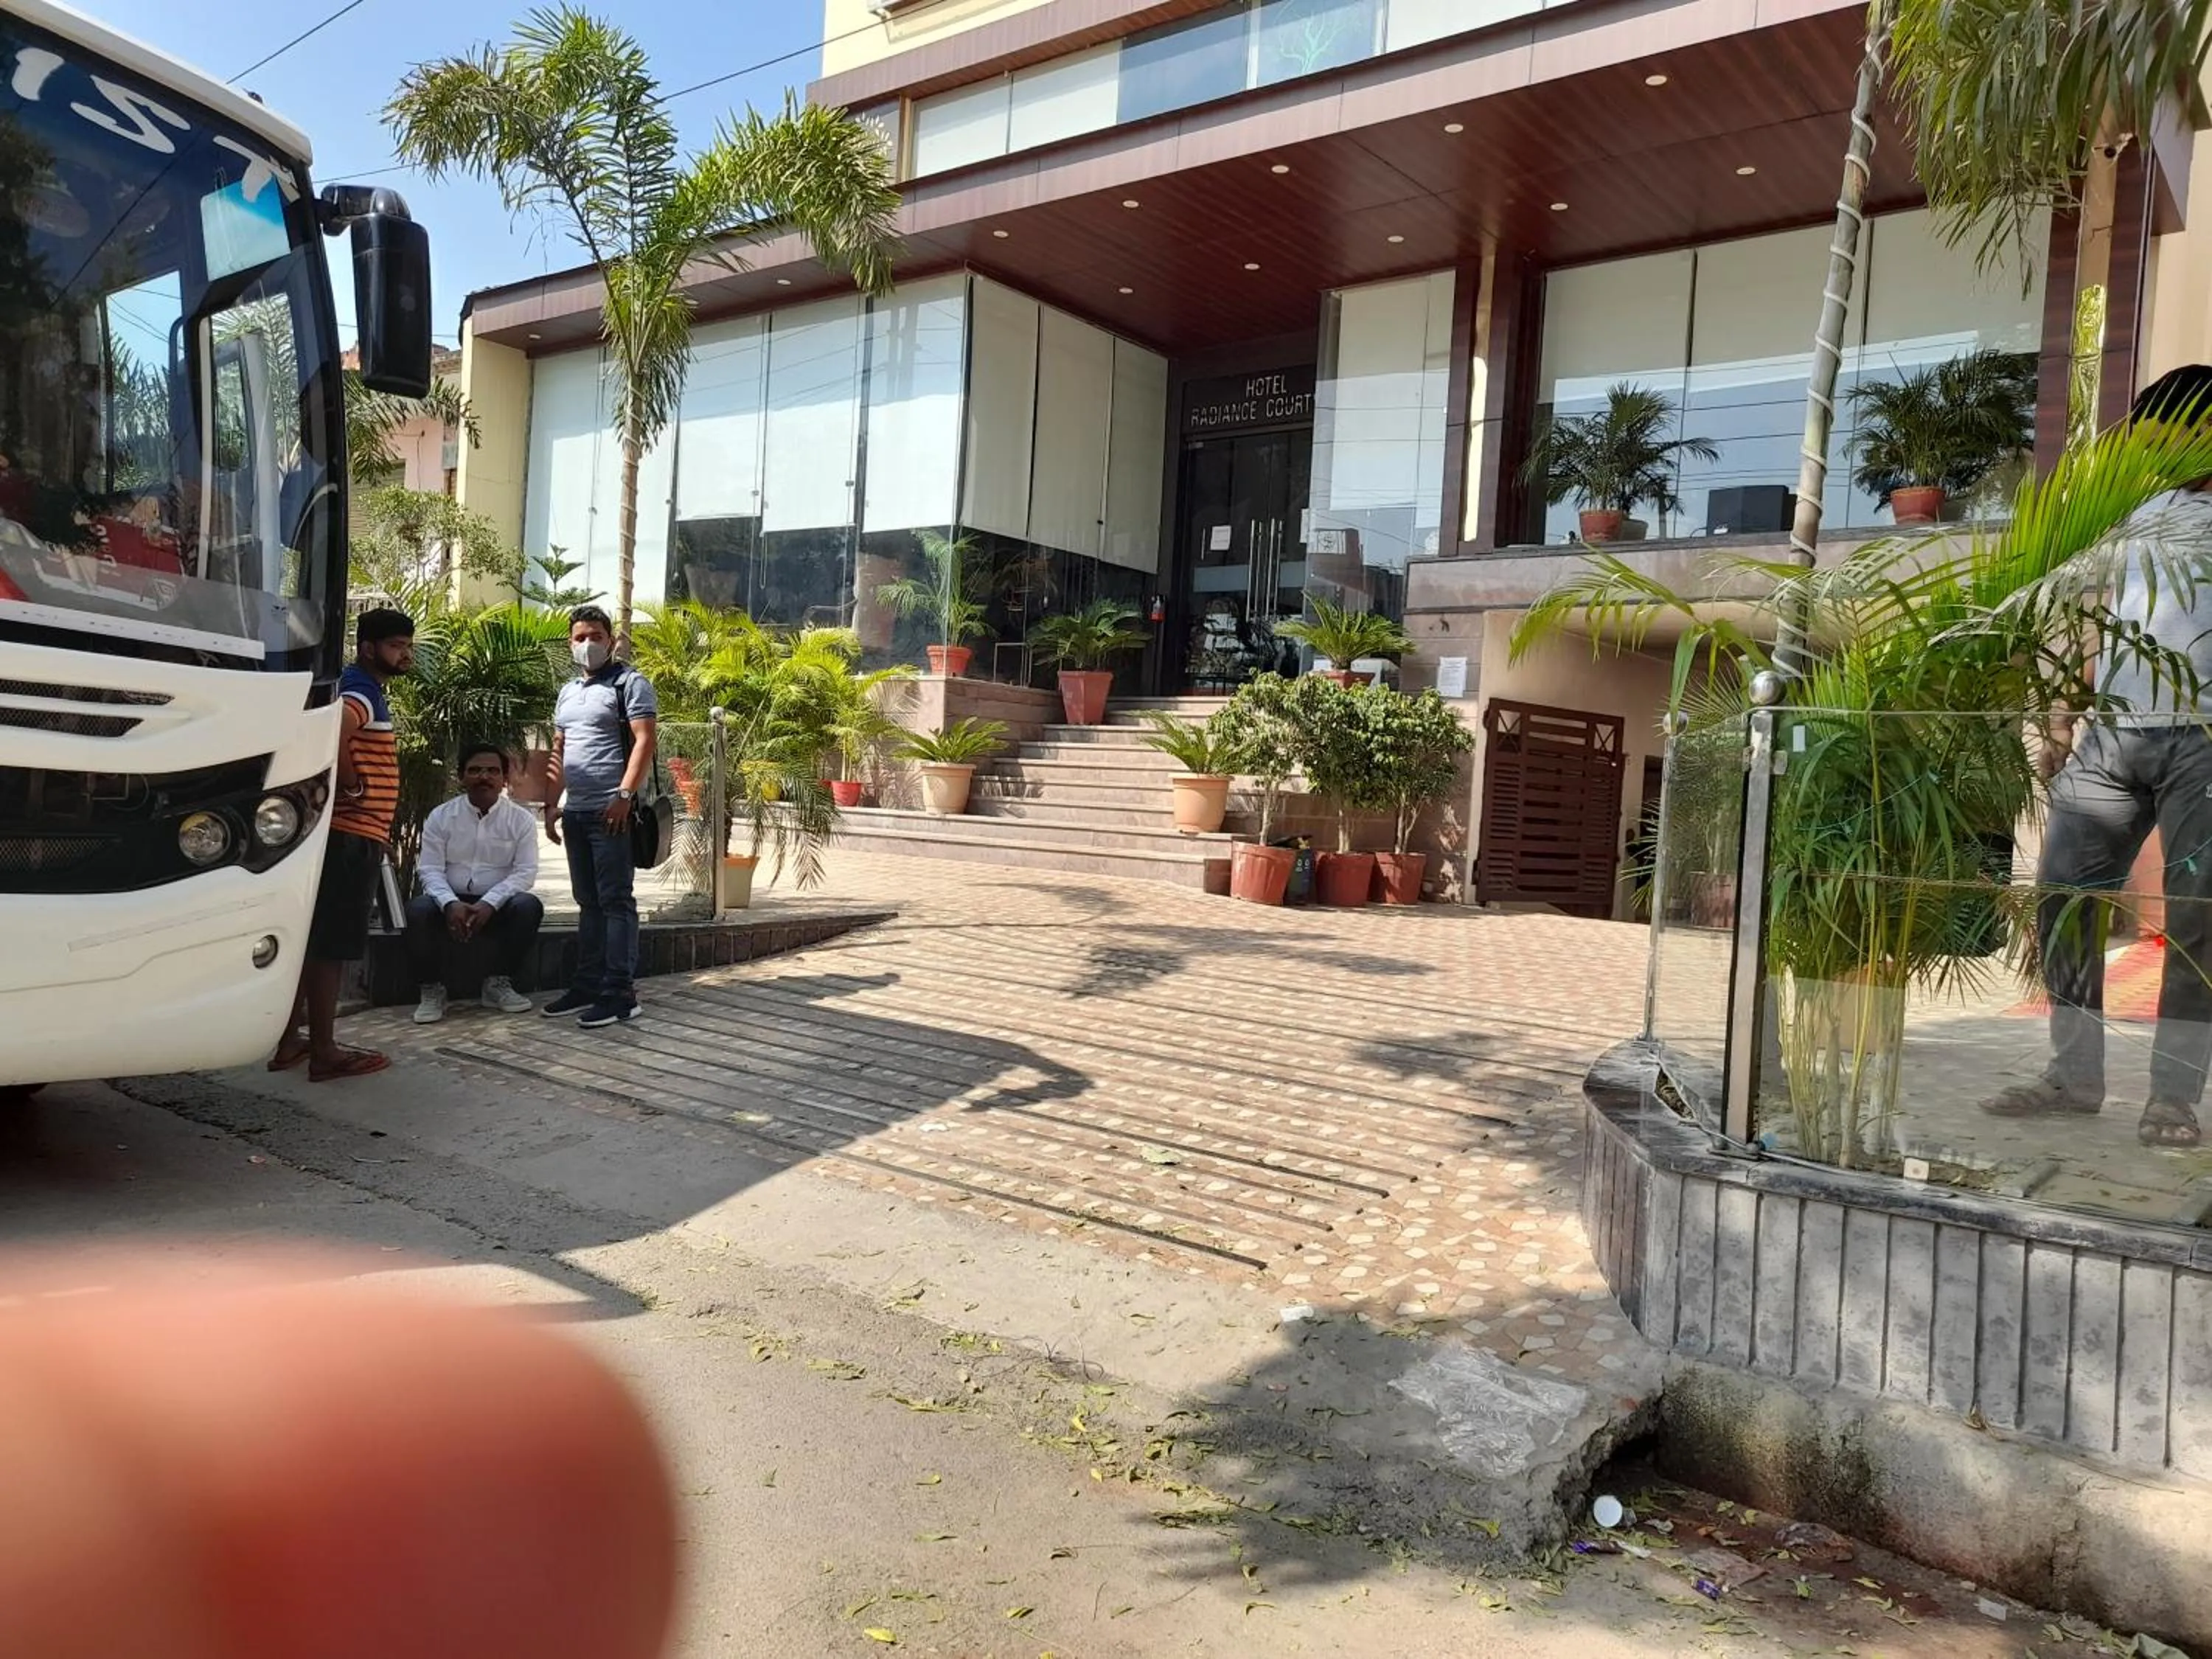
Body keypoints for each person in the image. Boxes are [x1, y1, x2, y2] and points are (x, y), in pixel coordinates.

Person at [1983, 364, 2212, 1148]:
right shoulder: (2134, 513)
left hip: (2205, 745)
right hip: (2110, 739)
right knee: (2063, 902)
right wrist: (2058, 721)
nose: (2147, 449)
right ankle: (2073, 1080)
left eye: (2160, 434)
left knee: (2197, 924)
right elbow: (2097, 620)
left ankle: (2173, 1100)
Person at [273, 608, 411, 1081]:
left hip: (354, 834)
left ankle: (291, 1039)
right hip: (351, 835)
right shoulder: (361, 690)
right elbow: (334, 733)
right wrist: (354, 789)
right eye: (396, 646)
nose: (404, 655)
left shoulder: (358, 686)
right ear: (369, 647)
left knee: (316, 943)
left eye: (407, 646)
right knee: (332, 946)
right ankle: (325, 1051)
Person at [543, 606, 657, 1030]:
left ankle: (620, 993)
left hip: (612, 813)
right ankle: (588, 984)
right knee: (587, 903)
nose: (587, 643)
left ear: (611, 640)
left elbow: (645, 740)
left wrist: (624, 796)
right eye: (579, 637)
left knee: (615, 902)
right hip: (576, 813)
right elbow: (559, 748)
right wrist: (551, 803)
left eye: (595, 635)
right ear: (570, 642)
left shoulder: (630, 683)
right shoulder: (569, 691)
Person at [407, 742, 545, 1024]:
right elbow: (431, 870)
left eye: (493, 771)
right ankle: (432, 990)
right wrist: (449, 903)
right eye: (475, 770)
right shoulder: (441, 816)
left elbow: (525, 873)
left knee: (529, 906)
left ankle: (497, 985)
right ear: (461, 777)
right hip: (449, 901)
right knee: (417, 911)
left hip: (498, 905)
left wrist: (489, 904)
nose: (484, 777)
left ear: (504, 779)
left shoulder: (521, 820)